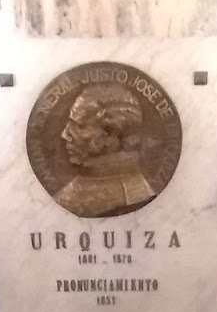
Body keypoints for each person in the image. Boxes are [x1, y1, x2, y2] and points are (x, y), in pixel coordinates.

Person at [54, 82, 157, 217]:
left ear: (109, 134)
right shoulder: (81, 183)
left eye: (79, 126)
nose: (65, 134)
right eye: (69, 124)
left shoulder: (129, 194)